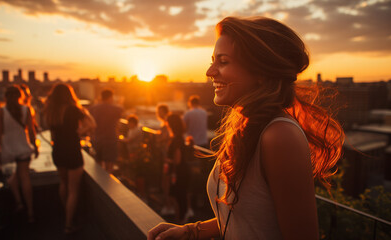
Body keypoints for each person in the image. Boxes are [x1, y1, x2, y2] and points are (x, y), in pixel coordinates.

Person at [149, 16, 344, 240]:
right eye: (213, 60)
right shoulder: (248, 127)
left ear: (261, 71)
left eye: (222, 62)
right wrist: (191, 231)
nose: (210, 72)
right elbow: (249, 218)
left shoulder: (280, 136)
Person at [43, 83, 96, 233]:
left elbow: (53, 136)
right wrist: (78, 133)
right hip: (72, 150)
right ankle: (68, 224)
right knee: (74, 189)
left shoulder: (50, 111)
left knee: (64, 183)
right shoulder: (73, 109)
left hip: (58, 151)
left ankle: (66, 211)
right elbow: (92, 124)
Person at [0, 86, 39, 223]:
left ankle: (19, 203)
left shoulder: (0, 111)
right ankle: (30, 212)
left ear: (6, 96)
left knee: (14, 176)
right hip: (23, 147)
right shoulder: (26, 109)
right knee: (24, 177)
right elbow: (31, 131)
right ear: (20, 96)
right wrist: (35, 147)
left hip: (9, 148)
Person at [89, 89, 123, 172]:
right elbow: (119, 116)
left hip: (97, 139)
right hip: (110, 139)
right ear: (111, 97)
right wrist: (120, 103)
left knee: (98, 165)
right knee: (109, 166)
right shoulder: (116, 108)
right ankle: (108, 183)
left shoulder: (93, 108)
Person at [165, 113, 190, 223]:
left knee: (177, 197)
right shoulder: (180, 137)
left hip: (179, 173)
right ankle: (181, 220)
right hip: (183, 172)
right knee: (180, 196)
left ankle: (179, 222)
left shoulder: (176, 140)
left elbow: (177, 160)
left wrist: (167, 160)